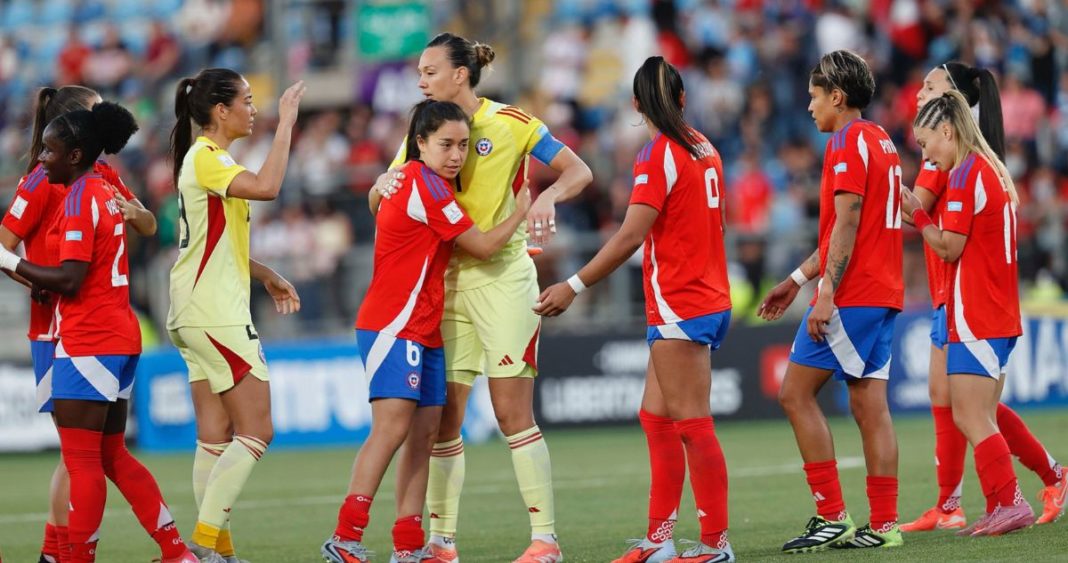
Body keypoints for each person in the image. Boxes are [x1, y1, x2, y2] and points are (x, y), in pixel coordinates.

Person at [371, 32, 593, 563]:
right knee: (445, 417)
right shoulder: (424, 131)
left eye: (429, 71)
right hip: (445, 285)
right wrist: (380, 186)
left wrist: (545, 198)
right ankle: (442, 542)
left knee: (511, 410)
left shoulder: (512, 124)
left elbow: (578, 171)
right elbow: (391, 192)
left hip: (503, 279)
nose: (420, 80)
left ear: (460, 75)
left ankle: (546, 540)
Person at [536, 56, 734, 563]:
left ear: (636, 105)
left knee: (692, 423)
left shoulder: (658, 154)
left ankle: (715, 546)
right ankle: (660, 538)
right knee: (656, 416)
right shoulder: (705, 148)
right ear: (683, 99)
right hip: (702, 293)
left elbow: (630, 234)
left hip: (681, 301)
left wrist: (574, 285)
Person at [322, 100, 532, 563]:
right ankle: (345, 537)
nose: (457, 155)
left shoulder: (425, 182)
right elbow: (479, 246)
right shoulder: (423, 182)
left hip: (424, 328)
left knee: (424, 435)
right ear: (419, 144)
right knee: (392, 429)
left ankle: (408, 546)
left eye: (462, 145)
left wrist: (378, 187)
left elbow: (381, 203)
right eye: (446, 145)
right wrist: (520, 213)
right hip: (393, 324)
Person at [0, 102, 195, 563]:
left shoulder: (80, 197)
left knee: (82, 462)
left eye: (49, 150)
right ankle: (176, 551)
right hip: (118, 334)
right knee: (112, 457)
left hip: (88, 339)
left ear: (75, 153)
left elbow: (70, 278)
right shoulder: (104, 190)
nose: (40, 158)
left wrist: (10, 262)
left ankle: (73, 557)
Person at [901, 62, 1067, 532]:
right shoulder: (988, 164)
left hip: (973, 308)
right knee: (974, 409)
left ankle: (1002, 500)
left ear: (949, 122)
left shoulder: (962, 172)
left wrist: (916, 213)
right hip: (991, 308)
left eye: (927, 141)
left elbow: (947, 242)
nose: (926, 152)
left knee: (970, 414)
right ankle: (1005, 495)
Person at [757, 50, 904, 551]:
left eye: (814, 97)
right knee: (870, 406)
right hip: (883, 291)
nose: (809, 108)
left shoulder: (845, 143)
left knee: (794, 394)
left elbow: (847, 221)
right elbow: (850, 229)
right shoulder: (882, 141)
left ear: (837, 97)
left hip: (853, 295)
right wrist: (796, 279)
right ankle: (884, 526)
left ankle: (831, 516)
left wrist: (824, 295)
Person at [167, 68, 305, 563]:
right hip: (215, 312)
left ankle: (217, 551)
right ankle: (203, 546)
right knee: (257, 429)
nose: (254, 108)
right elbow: (268, 187)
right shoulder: (206, 157)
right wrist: (287, 122)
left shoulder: (205, 159)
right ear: (221, 111)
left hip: (191, 310)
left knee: (214, 437)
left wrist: (264, 273)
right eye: (247, 100)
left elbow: (216, 242)